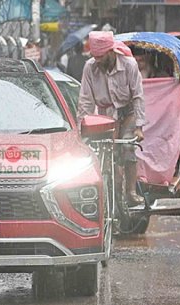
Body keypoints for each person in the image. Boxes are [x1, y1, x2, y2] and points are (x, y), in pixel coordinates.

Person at [77, 31, 146, 206]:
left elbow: (138, 96)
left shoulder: (129, 64)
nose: (97, 60)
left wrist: (139, 126)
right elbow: (85, 99)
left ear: (111, 51)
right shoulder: (90, 67)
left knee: (127, 145)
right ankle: (110, 196)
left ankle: (130, 192)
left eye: (100, 56)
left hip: (127, 113)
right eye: (95, 56)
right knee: (107, 154)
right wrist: (81, 128)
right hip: (105, 116)